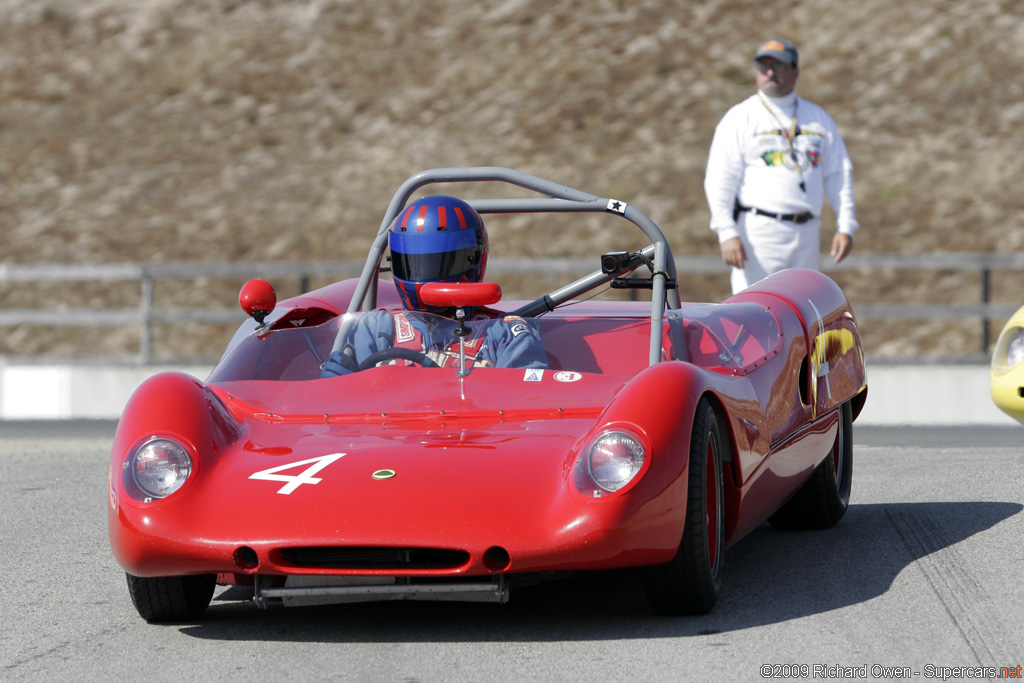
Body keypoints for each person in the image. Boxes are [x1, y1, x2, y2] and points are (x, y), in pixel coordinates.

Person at [321, 195, 548, 376]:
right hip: (389, 433)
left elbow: (527, 407)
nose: (423, 276)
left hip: (474, 432)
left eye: (438, 263)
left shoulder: (506, 334)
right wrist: (333, 385)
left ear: (471, 258)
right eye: (413, 263)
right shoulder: (375, 328)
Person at [704, 38, 859, 294]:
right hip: (760, 233)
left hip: (807, 232)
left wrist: (846, 225)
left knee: (800, 313)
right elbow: (720, 177)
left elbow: (838, 173)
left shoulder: (818, 119)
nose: (770, 72)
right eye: (763, 66)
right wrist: (726, 231)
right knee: (753, 310)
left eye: (779, 65)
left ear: (795, 71)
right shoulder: (740, 117)